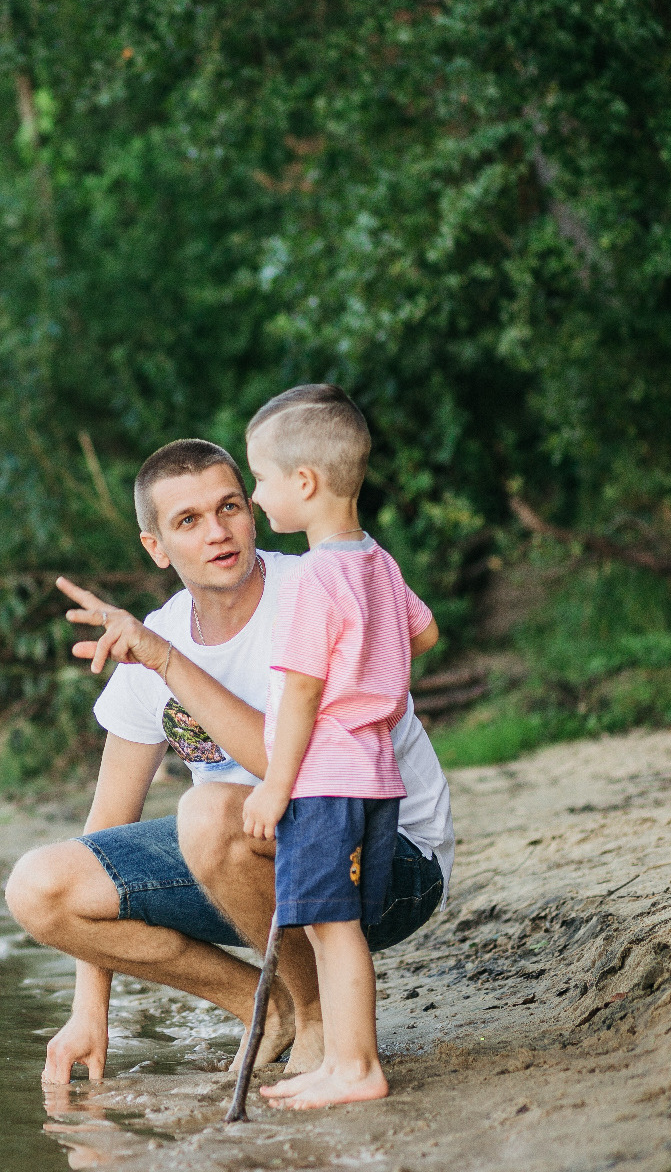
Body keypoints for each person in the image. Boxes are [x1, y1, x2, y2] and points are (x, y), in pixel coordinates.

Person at [5, 437, 453, 1090]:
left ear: (253, 510)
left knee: (209, 813)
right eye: (188, 521)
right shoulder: (161, 632)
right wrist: (88, 1011)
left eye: (231, 507)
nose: (218, 533)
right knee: (39, 887)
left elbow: (285, 765)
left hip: (387, 859)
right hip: (258, 866)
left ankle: (322, 1020)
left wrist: (165, 660)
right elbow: (106, 823)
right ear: (156, 547)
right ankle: (263, 1005)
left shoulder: (314, 589)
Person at [237, 384, 438, 1109]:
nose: (255, 498)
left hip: (324, 778)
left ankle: (357, 1068)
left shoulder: (313, 580)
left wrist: (273, 786)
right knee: (333, 925)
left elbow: (299, 695)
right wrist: (377, 671)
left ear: (305, 483)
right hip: (376, 774)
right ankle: (345, 1062)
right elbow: (425, 632)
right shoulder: (376, 562)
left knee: (333, 925)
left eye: (259, 481)